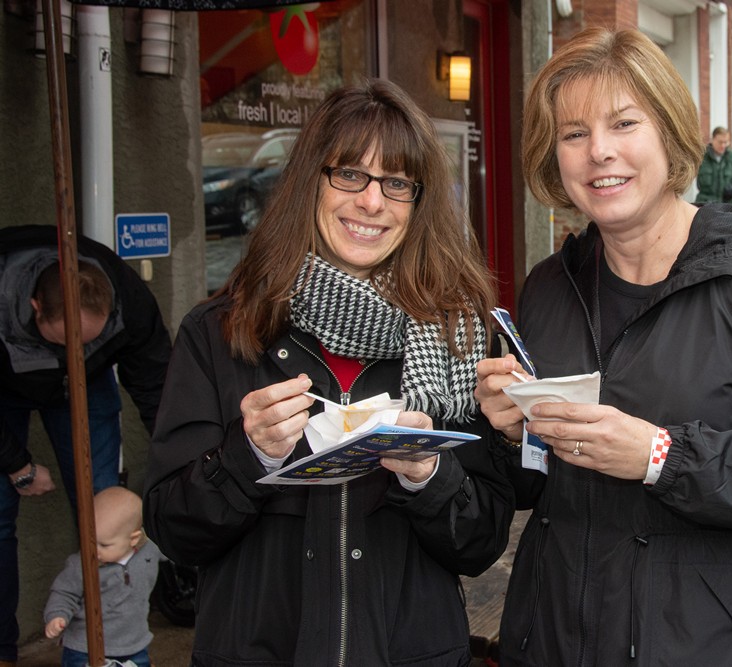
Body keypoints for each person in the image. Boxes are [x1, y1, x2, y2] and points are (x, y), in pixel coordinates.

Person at [474, 27, 732, 665]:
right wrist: (513, 434)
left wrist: (662, 456)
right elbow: (529, 487)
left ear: (670, 132)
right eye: (574, 134)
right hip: (558, 639)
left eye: (624, 123)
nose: (600, 151)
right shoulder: (549, 287)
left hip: (708, 646)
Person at [143, 78, 513, 666]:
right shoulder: (220, 332)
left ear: (419, 204)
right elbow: (173, 530)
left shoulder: (458, 337)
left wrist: (427, 476)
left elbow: (480, 544)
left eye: (397, 183)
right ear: (308, 182)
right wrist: (249, 457)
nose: (372, 202)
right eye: (349, 174)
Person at [0, 224, 172, 667]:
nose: (73, 350)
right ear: (36, 308)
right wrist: (16, 464)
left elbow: (156, 386)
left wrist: (175, 453)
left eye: (89, 339)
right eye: (64, 340)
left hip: (89, 384)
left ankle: (114, 643)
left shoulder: (128, 300)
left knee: (104, 512)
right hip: (5, 383)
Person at [43, 486, 162, 667]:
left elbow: (178, 550)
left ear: (134, 539)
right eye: (89, 541)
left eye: (104, 545)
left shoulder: (150, 550)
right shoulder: (81, 564)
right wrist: (57, 615)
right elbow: (64, 592)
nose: (94, 550)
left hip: (134, 644)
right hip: (85, 647)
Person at [695, 125, 732, 205]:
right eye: (720, 142)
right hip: (704, 206)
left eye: (725, 142)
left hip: (726, 207)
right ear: (712, 140)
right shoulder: (701, 157)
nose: (723, 145)